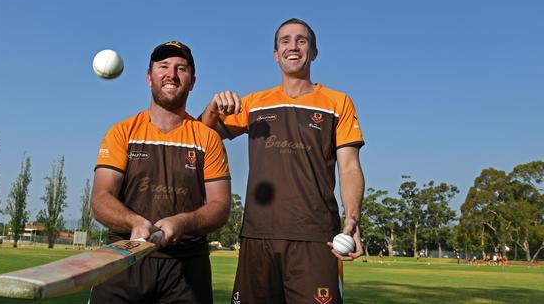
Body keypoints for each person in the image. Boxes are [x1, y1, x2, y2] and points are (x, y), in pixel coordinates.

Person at [200, 18, 365, 304]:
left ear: (313, 52)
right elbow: (204, 137)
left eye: (302, 40)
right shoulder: (254, 103)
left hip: (316, 235)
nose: (293, 46)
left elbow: (349, 166)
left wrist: (352, 216)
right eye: (285, 40)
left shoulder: (337, 102)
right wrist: (212, 110)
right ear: (276, 54)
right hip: (257, 235)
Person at [89, 41, 232, 304]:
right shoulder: (121, 132)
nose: (171, 74)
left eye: (181, 68)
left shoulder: (208, 139)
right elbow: (100, 198)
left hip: (186, 268)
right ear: (148, 77)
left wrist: (183, 222)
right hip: (123, 259)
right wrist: (134, 222)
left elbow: (220, 205)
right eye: (163, 66)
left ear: (192, 81)